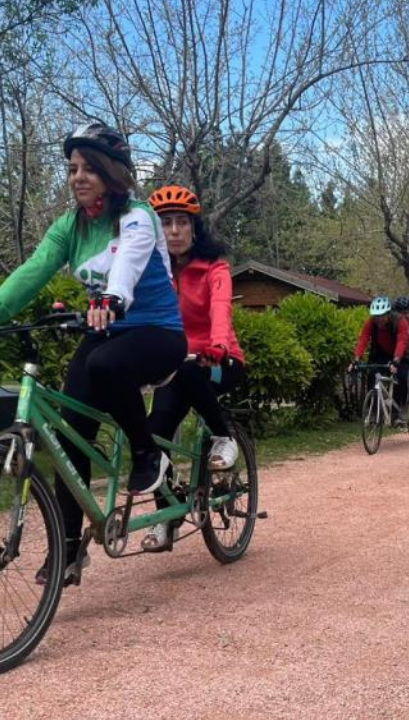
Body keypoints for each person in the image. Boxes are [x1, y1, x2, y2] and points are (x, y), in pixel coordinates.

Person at [0, 123, 186, 585]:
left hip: (156, 333)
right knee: (70, 438)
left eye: (90, 168)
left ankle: (147, 453)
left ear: (113, 173)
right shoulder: (68, 227)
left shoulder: (137, 217)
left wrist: (112, 300)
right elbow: (32, 272)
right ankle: (69, 552)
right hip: (106, 331)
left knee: (105, 363)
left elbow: (128, 266)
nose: (78, 176)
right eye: (73, 168)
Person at [143, 184, 247, 552]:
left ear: (194, 228)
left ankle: (225, 436)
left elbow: (221, 306)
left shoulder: (214, 267)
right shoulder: (154, 272)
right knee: (153, 438)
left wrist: (218, 345)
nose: (173, 231)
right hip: (177, 366)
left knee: (189, 372)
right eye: (165, 223)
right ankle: (166, 518)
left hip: (221, 361)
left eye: (181, 223)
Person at [352, 296, 409, 425]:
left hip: (400, 354)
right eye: (375, 316)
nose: (378, 320)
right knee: (372, 375)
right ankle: (373, 412)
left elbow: (402, 341)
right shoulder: (371, 323)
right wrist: (356, 359)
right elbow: (363, 339)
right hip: (381, 353)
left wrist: (396, 361)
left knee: (401, 377)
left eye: (381, 316)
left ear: (388, 314)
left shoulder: (400, 321)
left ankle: (400, 410)